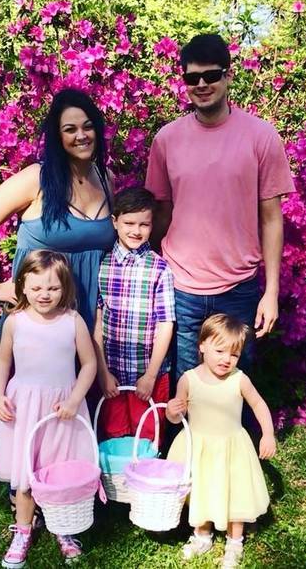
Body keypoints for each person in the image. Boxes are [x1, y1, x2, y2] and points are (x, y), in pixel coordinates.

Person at [145, 34, 295, 378]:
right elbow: (161, 214)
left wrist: (271, 292)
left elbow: (272, 220)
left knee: (231, 390)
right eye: (192, 77)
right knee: (185, 388)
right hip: (180, 287)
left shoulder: (261, 137)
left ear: (228, 75)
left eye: (211, 75)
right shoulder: (166, 140)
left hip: (239, 289)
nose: (202, 85)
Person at [0, 88, 117, 330]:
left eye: (88, 127)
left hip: (92, 316)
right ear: (58, 136)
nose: (81, 135)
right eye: (70, 129)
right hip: (40, 317)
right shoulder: (36, 178)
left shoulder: (106, 178)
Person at [0, 250, 96, 567]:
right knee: (25, 473)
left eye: (52, 288)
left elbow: (89, 364)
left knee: (59, 472)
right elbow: (3, 362)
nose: (44, 295)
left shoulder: (72, 321)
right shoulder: (15, 322)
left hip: (62, 409)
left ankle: (63, 529)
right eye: (36, 288)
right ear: (22, 286)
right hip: (25, 408)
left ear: (65, 287)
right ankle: (23, 531)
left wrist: (74, 400)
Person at [166, 314, 276, 569]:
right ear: (202, 346)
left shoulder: (239, 379)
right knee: (201, 489)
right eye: (219, 351)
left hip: (231, 447)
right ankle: (202, 535)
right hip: (199, 447)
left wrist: (268, 434)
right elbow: (176, 416)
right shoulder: (188, 379)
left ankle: (235, 541)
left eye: (234, 355)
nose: (226, 359)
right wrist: (172, 411)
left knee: (235, 493)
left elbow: (259, 404)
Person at [93, 187, 175, 442]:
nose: (136, 231)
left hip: (148, 374)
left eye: (144, 224)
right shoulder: (102, 265)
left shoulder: (160, 268)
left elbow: (165, 324)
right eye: (129, 223)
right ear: (114, 222)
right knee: (114, 437)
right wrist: (103, 372)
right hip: (113, 374)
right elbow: (97, 322)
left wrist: (150, 375)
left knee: (148, 438)